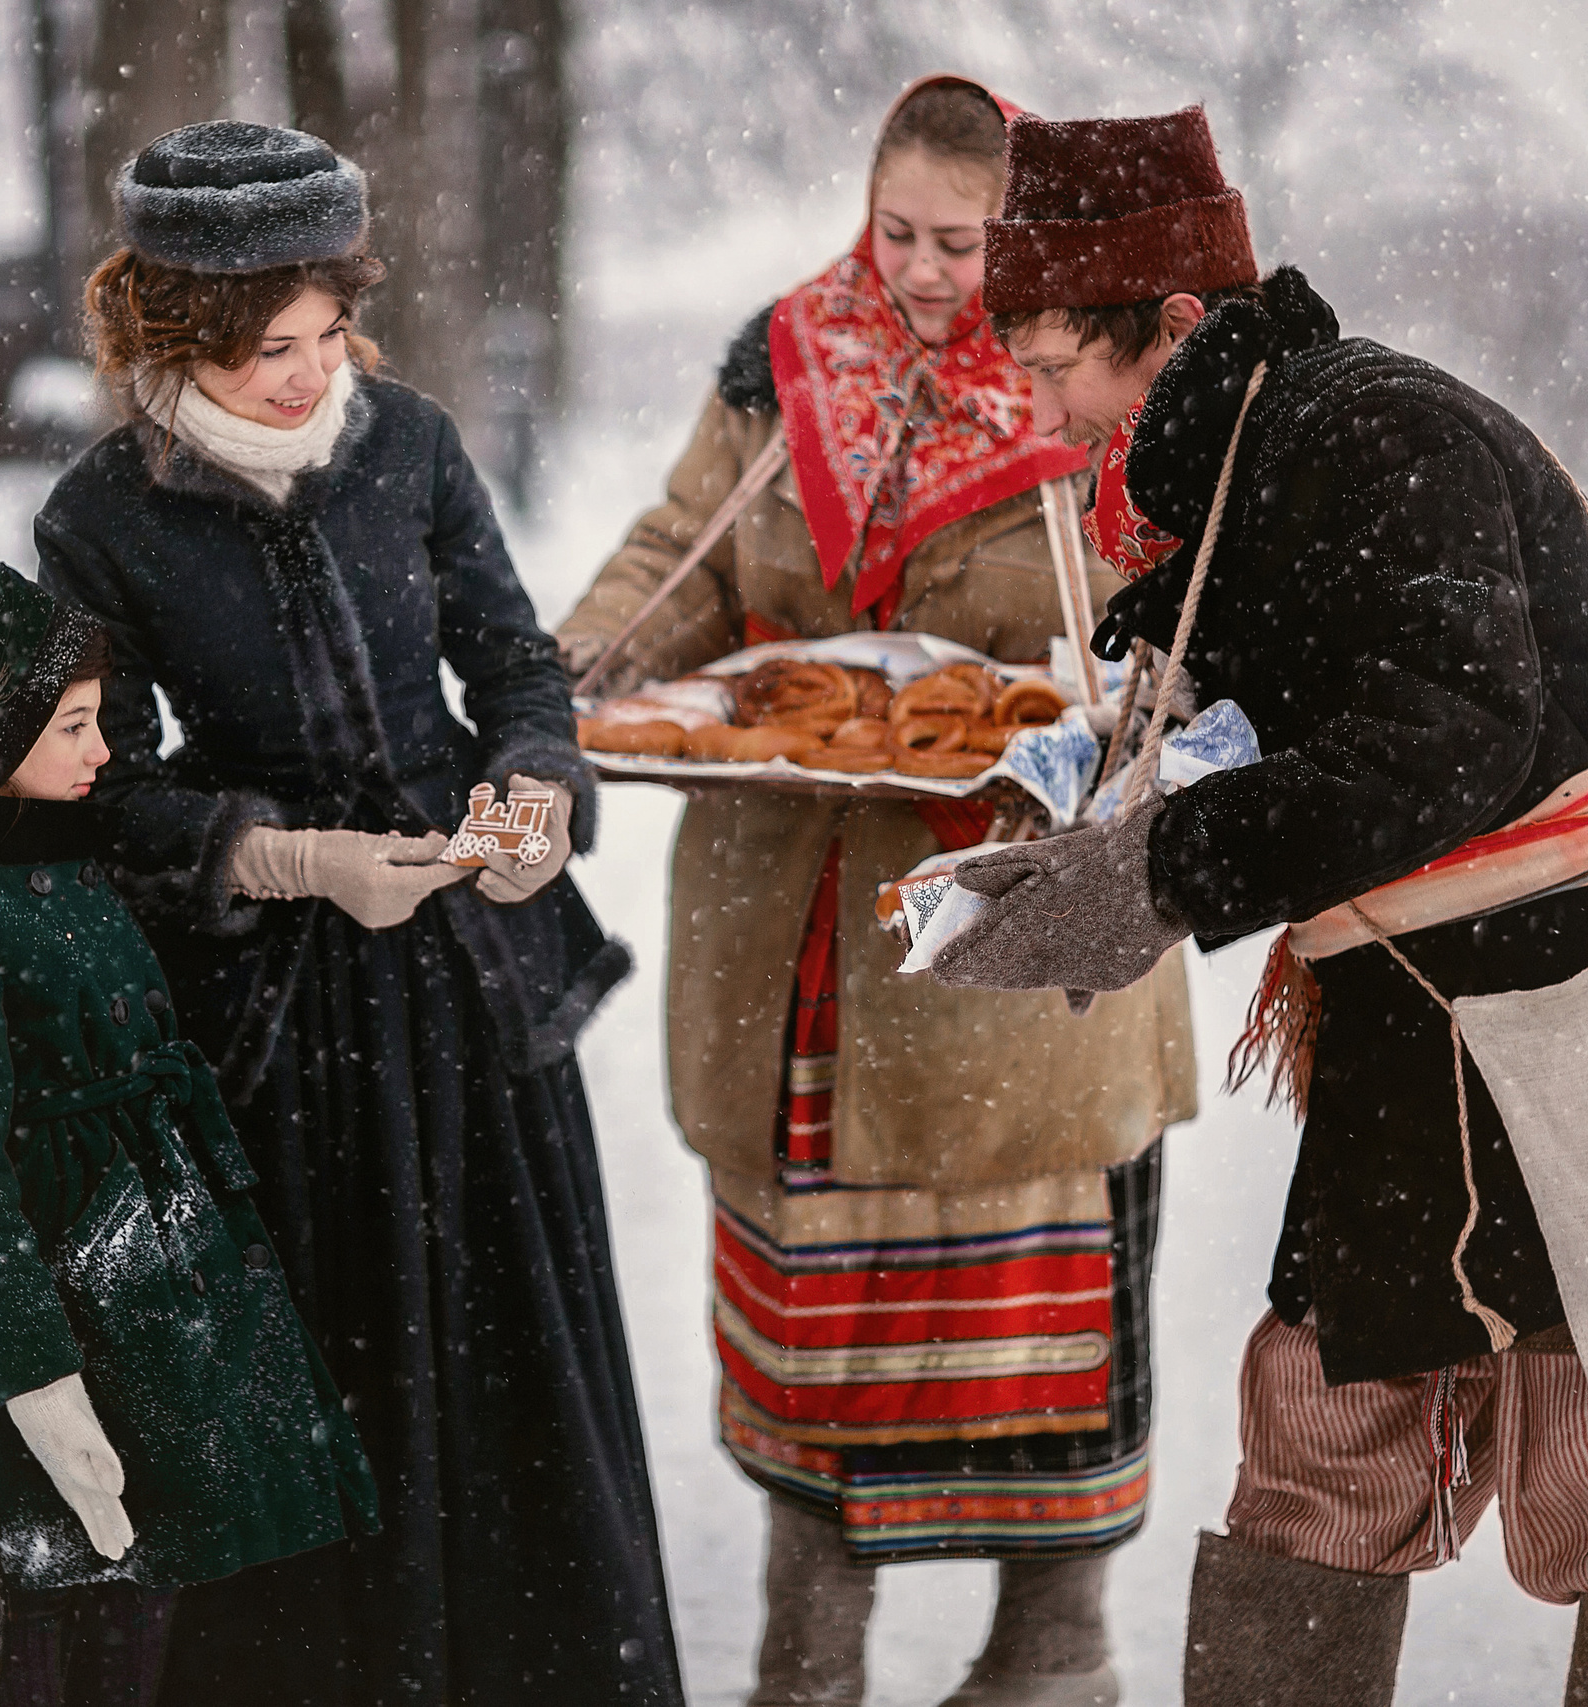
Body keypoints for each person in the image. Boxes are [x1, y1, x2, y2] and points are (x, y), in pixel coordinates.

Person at [931, 107, 1588, 1706]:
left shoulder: (1378, 430)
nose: (1043, 411)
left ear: (1173, 322)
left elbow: (1453, 730)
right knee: (1323, 1435)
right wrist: (1096, 815)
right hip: (1421, 1025)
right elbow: (1281, 724)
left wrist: (1162, 872)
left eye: (1053, 368)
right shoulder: (1244, 465)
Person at [558, 78, 1197, 1707]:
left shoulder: (1101, 382)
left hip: (1018, 927)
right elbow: (681, 550)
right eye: (896, 229)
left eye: (960, 244)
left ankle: (1051, 1649)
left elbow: (1180, 619)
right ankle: (812, 1653)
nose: (919, 270)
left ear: (1022, 241)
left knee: (1042, 1292)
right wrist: (579, 662)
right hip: (797, 925)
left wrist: (1099, 711)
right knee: (816, 1315)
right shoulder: (784, 365)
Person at [33, 122, 682, 1705]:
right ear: (174, 330)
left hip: (475, 987)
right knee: (341, 1384)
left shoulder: (412, 446)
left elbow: (517, 664)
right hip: (280, 1036)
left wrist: (534, 795)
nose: (311, 375)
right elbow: (94, 787)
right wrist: (282, 856)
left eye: (329, 334)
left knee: (518, 1371)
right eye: (269, 349)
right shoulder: (100, 517)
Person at [0, 554, 377, 1707]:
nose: (102, 752)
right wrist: (39, 1384)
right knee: (48, 1619)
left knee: (141, 1597)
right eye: (75, 727)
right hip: (51, 1335)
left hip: (146, 1317)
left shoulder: (55, 861)